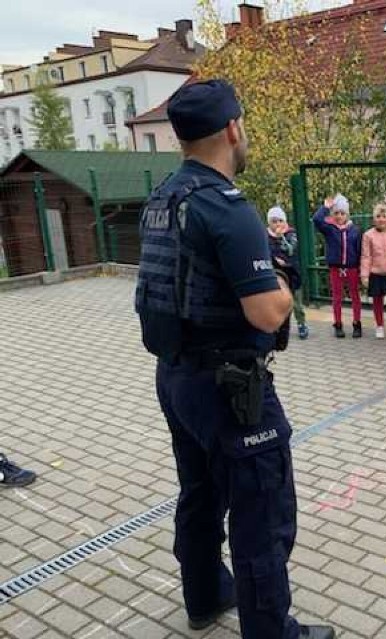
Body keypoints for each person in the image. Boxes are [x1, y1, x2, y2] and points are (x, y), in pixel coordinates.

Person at [134, 79, 334, 639]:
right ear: (232, 129)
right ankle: (271, 631)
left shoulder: (162, 198)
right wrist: (285, 284)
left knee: (199, 493)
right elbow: (269, 313)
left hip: (177, 378)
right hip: (231, 390)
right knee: (261, 513)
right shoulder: (225, 205)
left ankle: (205, 596)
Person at [313, 194, 362, 339]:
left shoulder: (355, 230)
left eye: (342, 213)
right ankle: (338, 324)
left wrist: (359, 268)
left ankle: (357, 323)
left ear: (347, 214)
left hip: (352, 267)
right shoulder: (329, 228)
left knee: (355, 296)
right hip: (335, 268)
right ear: (332, 214)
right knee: (337, 297)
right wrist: (325, 207)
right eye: (336, 213)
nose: (339, 216)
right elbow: (316, 219)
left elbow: (359, 249)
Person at [360, 203, 386, 339]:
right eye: (378, 216)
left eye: (384, 216)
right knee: (377, 301)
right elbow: (366, 256)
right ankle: (379, 326)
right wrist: (365, 275)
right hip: (375, 274)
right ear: (374, 219)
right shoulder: (368, 235)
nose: (381, 219)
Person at [267, 207, 308, 340]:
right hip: (276, 275)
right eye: (274, 221)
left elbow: (290, 249)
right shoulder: (265, 236)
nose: (278, 224)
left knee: (296, 303)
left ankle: (301, 324)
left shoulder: (291, 234)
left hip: (292, 274)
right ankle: (280, 326)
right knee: (278, 302)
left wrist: (281, 238)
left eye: (280, 220)